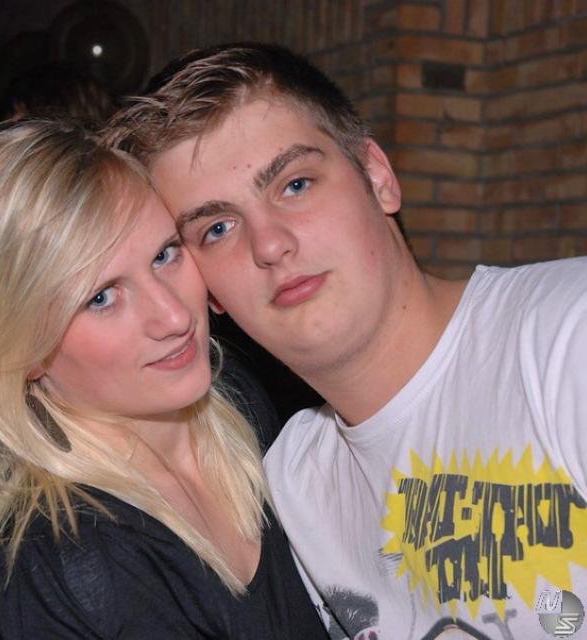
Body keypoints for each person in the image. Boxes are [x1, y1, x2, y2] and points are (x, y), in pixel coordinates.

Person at [106, 43, 587, 640]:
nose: (270, 244)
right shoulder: (295, 485)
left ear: (378, 178)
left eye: (295, 184)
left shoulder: (565, 337)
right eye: (218, 228)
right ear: (210, 293)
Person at [0, 118, 329, 639]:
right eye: (102, 298)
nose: (174, 316)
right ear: (23, 350)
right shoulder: (60, 568)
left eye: (164, 255)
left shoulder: (241, 405)